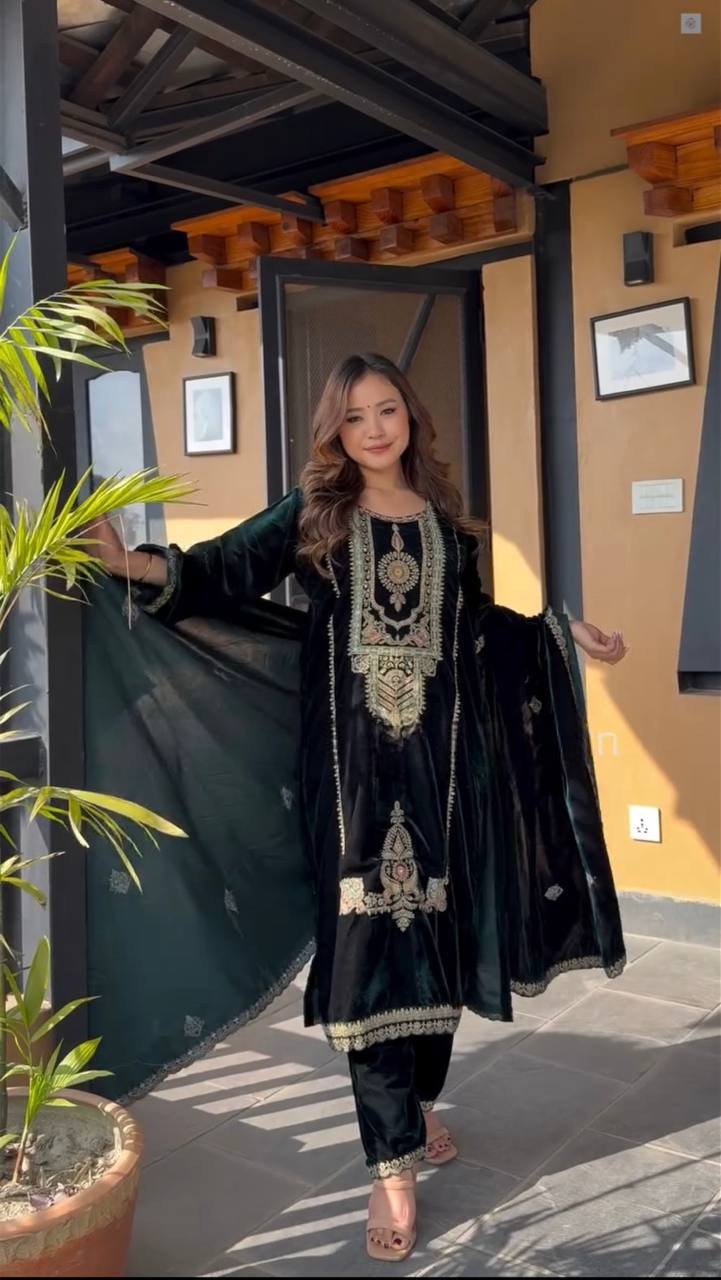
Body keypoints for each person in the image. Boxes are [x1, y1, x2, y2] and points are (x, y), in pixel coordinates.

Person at [89, 351, 628, 1262]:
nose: (376, 429)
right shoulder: (314, 516)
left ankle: (414, 1107)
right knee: (368, 946)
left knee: (440, 940)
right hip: (348, 781)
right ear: (335, 432)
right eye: (355, 418)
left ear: (410, 418)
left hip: (444, 773)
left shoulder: (451, 535)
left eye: (388, 411)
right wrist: (131, 563)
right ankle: (391, 1167)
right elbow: (220, 570)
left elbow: (476, 629)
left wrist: (555, 629)